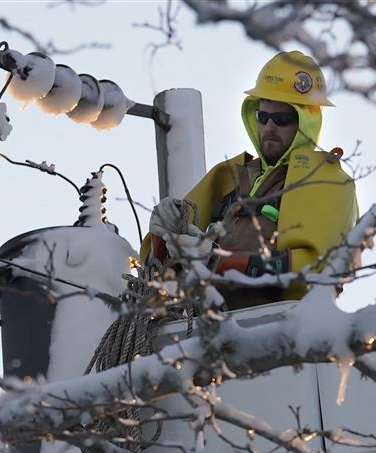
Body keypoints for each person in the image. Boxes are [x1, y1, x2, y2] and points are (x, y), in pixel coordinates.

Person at [145, 51, 358, 309]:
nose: (269, 127)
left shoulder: (326, 182)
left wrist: (219, 262)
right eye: (263, 116)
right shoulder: (228, 177)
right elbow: (158, 272)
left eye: (282, 119)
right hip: (204, 323)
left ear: (307, 122)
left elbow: (314, 269)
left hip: (276, 329)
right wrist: (161, 237)